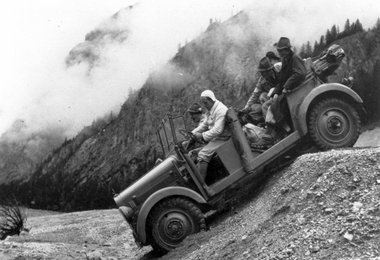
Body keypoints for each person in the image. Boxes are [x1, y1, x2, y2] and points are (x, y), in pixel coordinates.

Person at [252, 37, 307, 149]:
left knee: (270, 107)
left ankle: (275, 134)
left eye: (281, 50)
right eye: (279, 50)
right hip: (288, 91)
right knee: (268, 103)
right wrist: (275, 92)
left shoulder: (294, 59)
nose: (279, 53)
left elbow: (300, 74)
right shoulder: (286, 60)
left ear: (287, 49)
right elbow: (282, 80)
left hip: (293, 92)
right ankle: (276, 132)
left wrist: (287, 86)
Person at [192, 90, 230, 182]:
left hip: (224, 138)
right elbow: (205, 124)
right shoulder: (211, 110)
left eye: (205, 102)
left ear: (211, 99)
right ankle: (197, 177)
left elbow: (218, 130)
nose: (204, 105)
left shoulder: (220, 109)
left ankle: (202, 186)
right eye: (203, 103)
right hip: (218, 138)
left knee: (203, 154)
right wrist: (193, 132)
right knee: (193, 153)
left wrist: (201, 136)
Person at [242, 56, 281, 122]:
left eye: (263, 72)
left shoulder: (279, 69)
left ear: (269, 70)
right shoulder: (262, 81)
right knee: (262, 97)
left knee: (264, 105)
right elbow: (254, 95)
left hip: (283, 92)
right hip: (273, 99)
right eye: (261, 72)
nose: (262, 74)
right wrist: (246, 108)